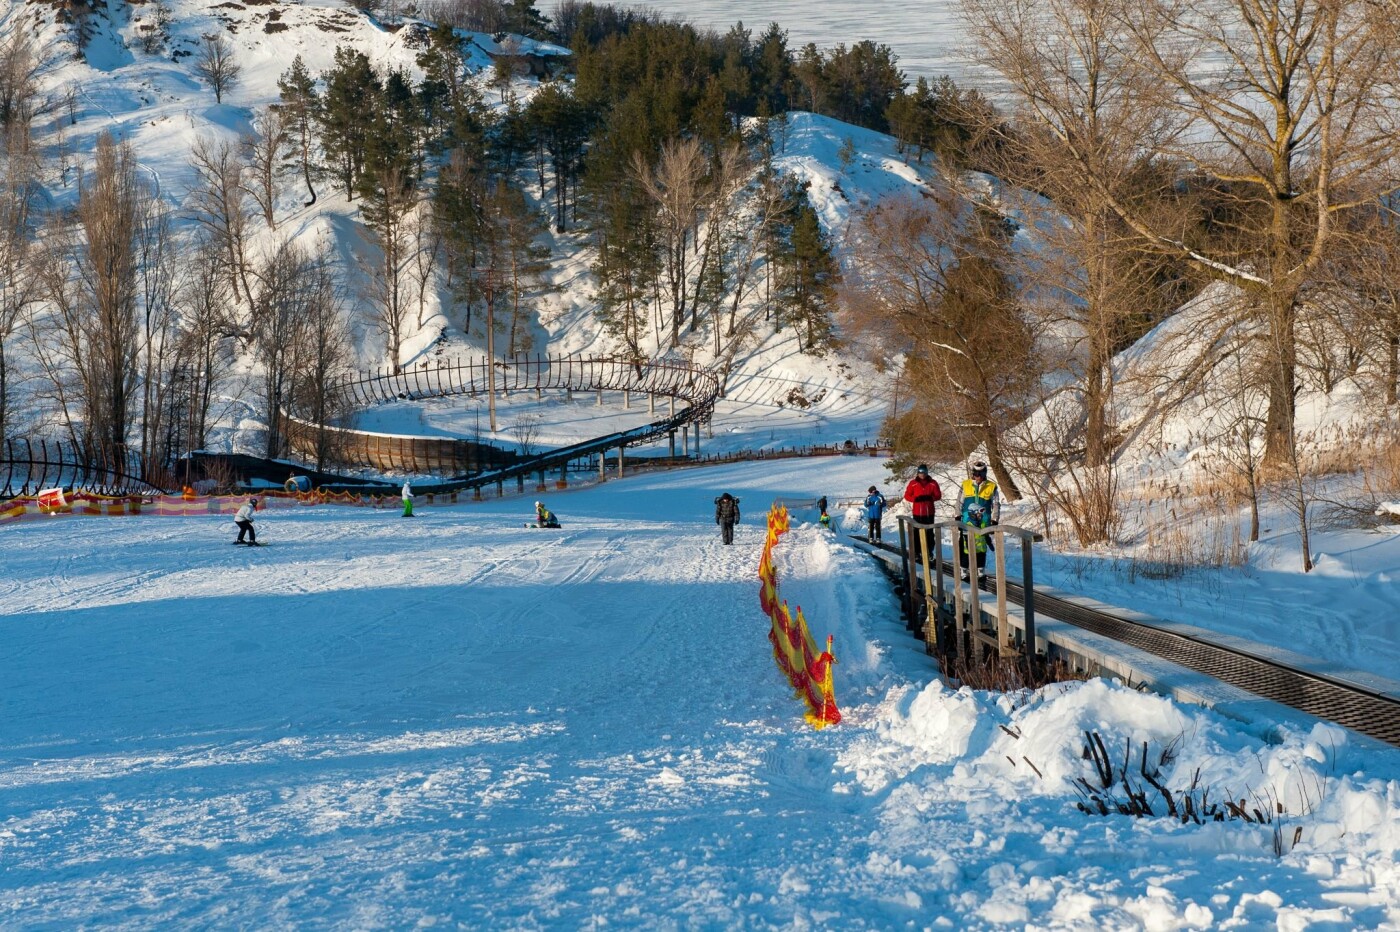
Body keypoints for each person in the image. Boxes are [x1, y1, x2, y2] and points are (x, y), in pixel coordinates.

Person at [958, 461, 1000, 581]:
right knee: (966, 546)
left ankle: (980, 571)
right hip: (967, 521)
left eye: (981, 473)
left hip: (984, 522)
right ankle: (964, 570)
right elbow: (959, 502)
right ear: (973, 473)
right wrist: (957, 516)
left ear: (985, 473)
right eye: (976, 473)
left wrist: (995, 519)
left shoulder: (992, 486)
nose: (978, 476)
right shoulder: (965, 485)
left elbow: (996, 504)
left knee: (982, 546)